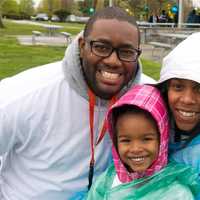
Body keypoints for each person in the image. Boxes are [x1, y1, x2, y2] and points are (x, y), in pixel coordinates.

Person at [0, 6, 155, 200]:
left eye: (126, 51)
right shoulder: (22, 94)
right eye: (101, 47)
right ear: (82, 46)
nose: (113, 61)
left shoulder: (149, 99)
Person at [87, 84, 200, 200]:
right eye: (126, 140)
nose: (136, 149)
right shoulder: (107, 181)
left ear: (162, 140)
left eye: (146, 139)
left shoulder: (177, 193)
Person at [157, 32, 200, 199]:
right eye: (178, 87)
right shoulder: (145, 128)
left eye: (199, 88)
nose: (187, 100)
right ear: (165, 89)